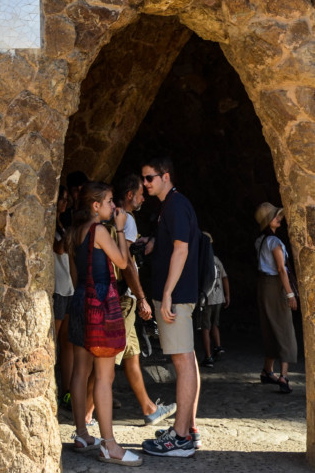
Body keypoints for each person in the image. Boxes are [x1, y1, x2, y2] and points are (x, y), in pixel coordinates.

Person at [67, 181, 142, 466]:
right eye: (110, 201)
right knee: (103, 376)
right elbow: (122, 262)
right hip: (99, 303)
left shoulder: (75, 231)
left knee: (80, 370)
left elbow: (76, 274)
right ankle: (109, 444)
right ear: (95, 206)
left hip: (80, 299)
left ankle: (82, 434)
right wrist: (121, 229)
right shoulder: (99, 230)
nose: (114, 206)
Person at [140, 157, 200, 458]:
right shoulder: (172, 206)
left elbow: (181, 249)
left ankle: (180, 438)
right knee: (187, 359)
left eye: (149, 178)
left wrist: (166, 293)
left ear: (165, 176)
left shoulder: (175, 206)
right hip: (177, 295)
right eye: (143, 179)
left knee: (182, 361)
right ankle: (188, 430)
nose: (145, 184)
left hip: (175, 297)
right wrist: (154, 242)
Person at [113, 174, 177, 425]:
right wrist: (141, 297)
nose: (143, 198)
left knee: (132, 355)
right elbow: (127, 263)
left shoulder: (116, 218)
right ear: (129, 195)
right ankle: (86, 416)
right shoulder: (127, 220)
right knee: (109, 360)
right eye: (140, 194)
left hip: (124, 297)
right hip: (126, 298)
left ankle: (149, 408)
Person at [254, 202, 298, 393]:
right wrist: (290, 294)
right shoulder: (274, 242)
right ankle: (284, 376)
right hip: (275, 286)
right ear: (268, 221)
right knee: (285, 328)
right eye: (275, 216)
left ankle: (267, 370)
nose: (279, 218)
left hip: (263, 286)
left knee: (270, 327)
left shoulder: (260, 241)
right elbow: (281, 269)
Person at [53, 186, 75, 411]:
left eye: (67, 199)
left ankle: (67, 391)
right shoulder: (49, 225)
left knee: (67, 342)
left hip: (68, 287)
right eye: (62, 199)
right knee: (53, 341)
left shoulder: (62, 224)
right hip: (57, 288)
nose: (65, 203)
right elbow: (59, 248)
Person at [198, 233, 229, 368]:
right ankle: (218, 346)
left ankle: (208, 357)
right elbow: (225, 277)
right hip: (219, 298)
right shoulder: (216, 260)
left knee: (205, 327)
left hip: (206, 299)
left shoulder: (200, 260)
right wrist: (227, 295)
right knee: (215, 324)